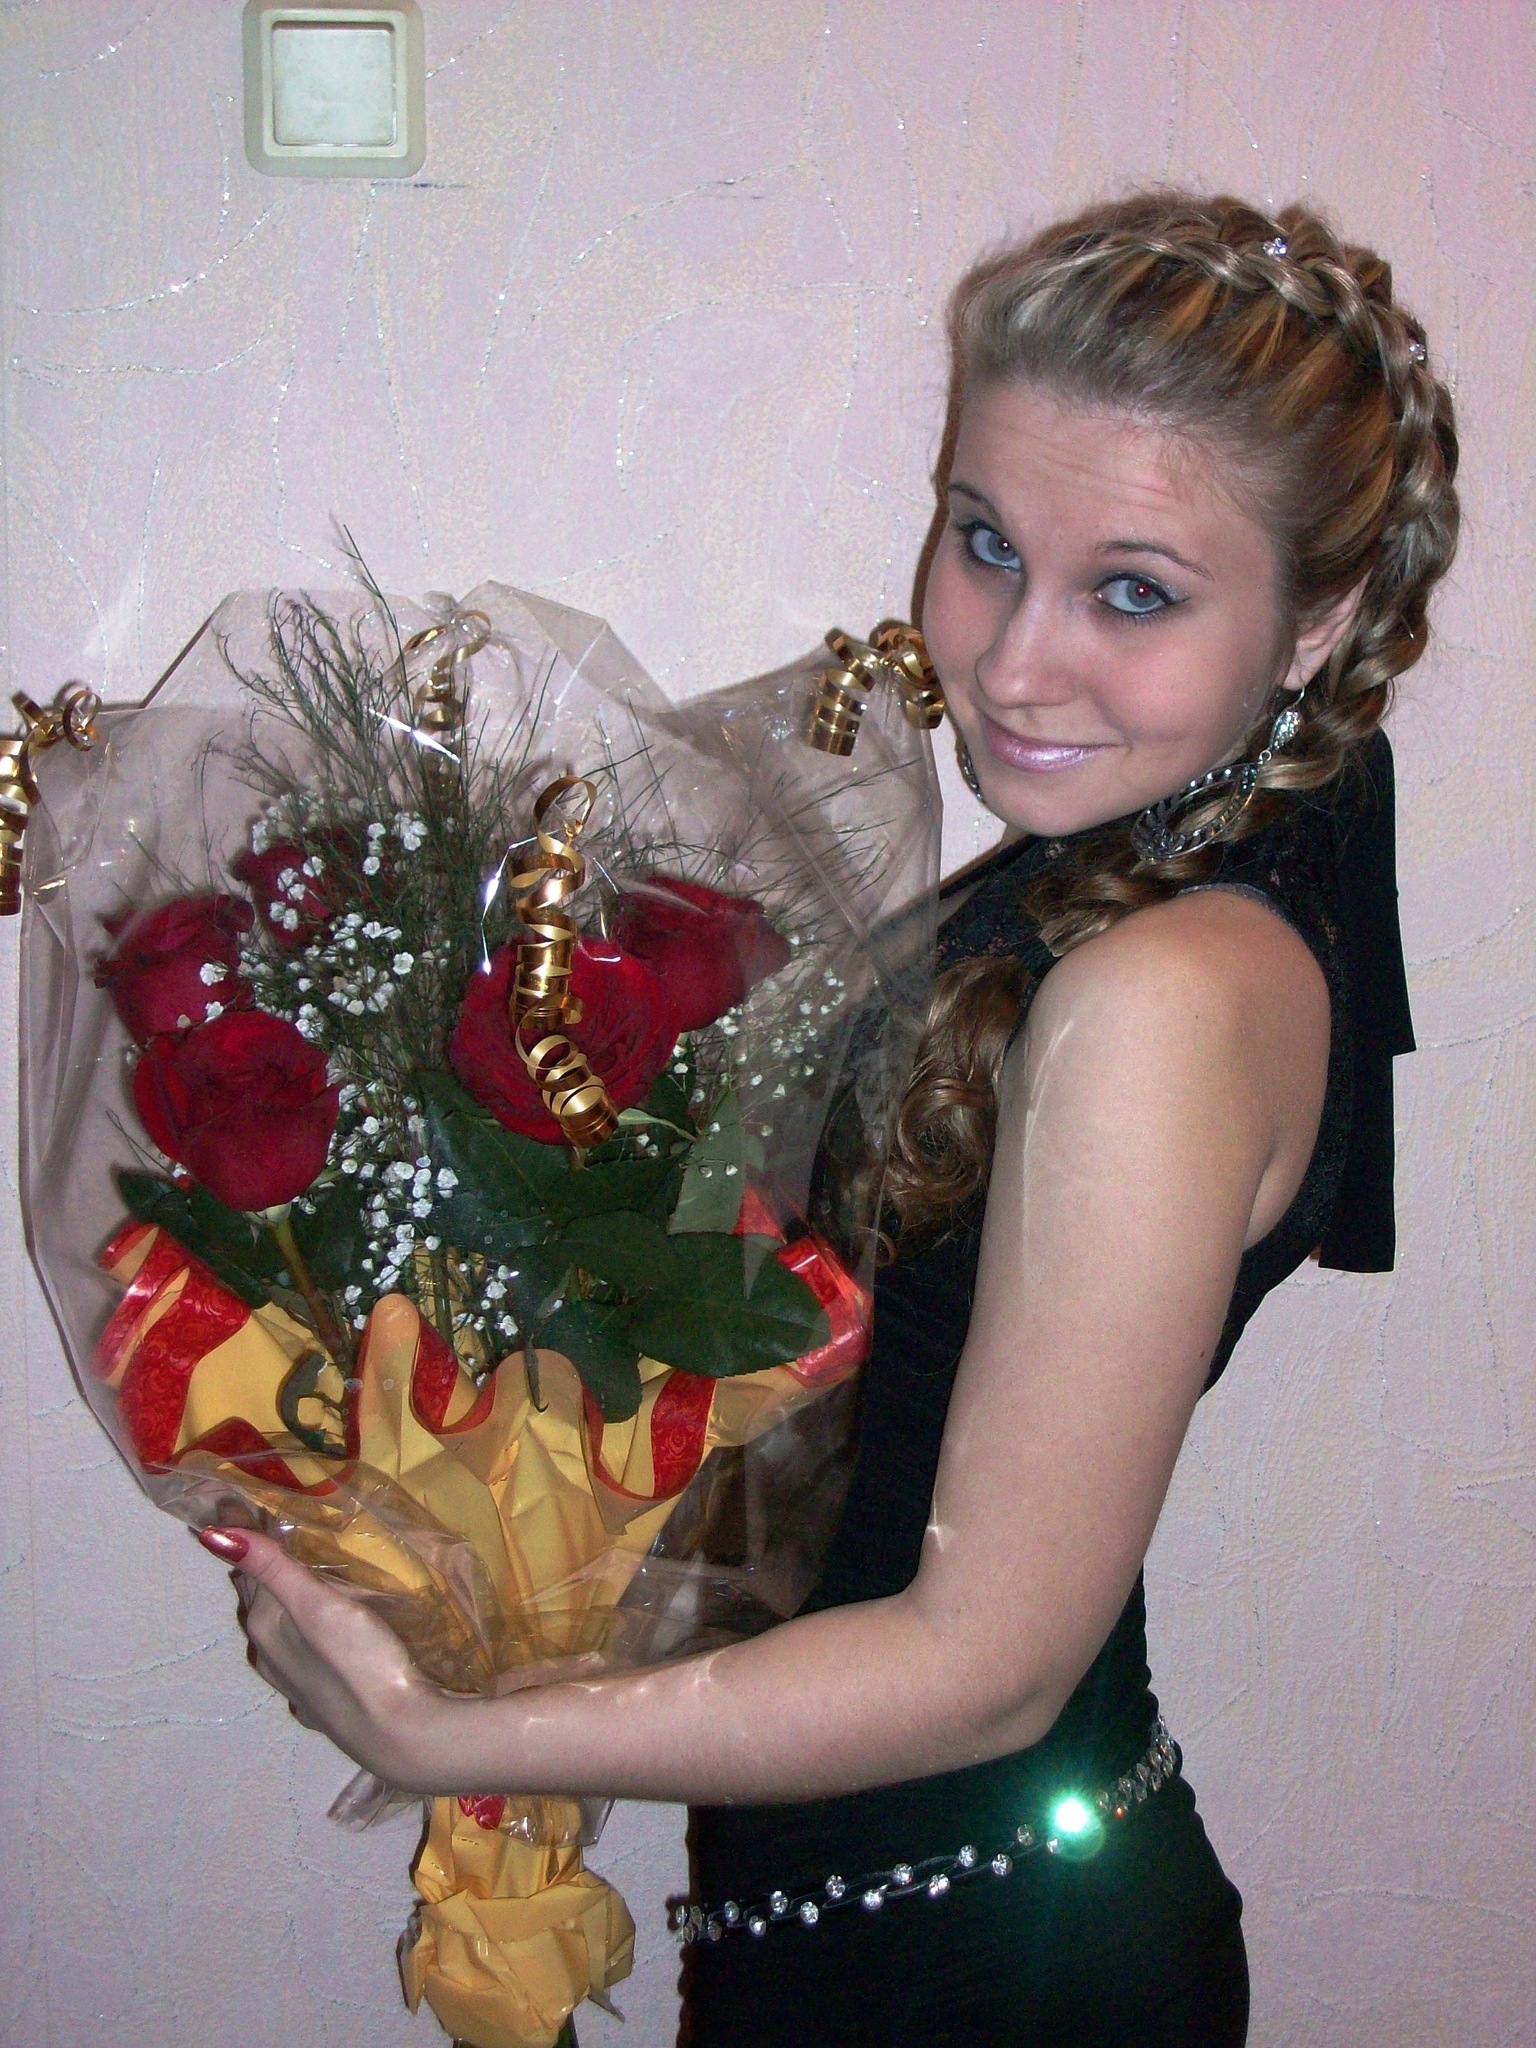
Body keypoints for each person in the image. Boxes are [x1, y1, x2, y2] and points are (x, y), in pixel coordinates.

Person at [200, 191, 1459, 2046]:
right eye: (983, 542)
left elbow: (984, 1666)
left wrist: (448, 1730)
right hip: (947, 1916)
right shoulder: (1152, 883)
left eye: (1133, 591)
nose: (1010, 663)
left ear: (1319, 617)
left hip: (987, 1975)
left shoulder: (1163, 995)